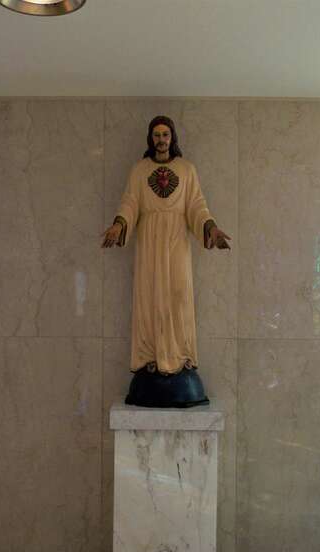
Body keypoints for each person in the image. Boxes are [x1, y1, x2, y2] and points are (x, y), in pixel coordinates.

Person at [102, 115, 230, 407]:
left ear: (173, 138)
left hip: (176, 244)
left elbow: (196, 205)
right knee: (148, 299)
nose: (161, 140)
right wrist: (119, 225)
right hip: (148, 242)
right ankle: (151, 359)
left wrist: (211, 228)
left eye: (165, 135)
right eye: (156, 135)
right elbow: (130, 202)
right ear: (151, 139)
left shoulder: (186, 170)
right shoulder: (139, 170)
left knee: (178, 297)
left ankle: (179, 359)